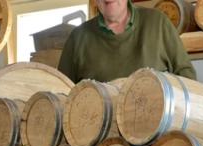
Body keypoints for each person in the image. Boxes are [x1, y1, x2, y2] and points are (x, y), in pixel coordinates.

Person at [58, 0, 196, 83]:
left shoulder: (158, 23)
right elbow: (62, 93)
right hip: (102, 130)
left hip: (159, 129)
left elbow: (187, 76)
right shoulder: (77, 38)